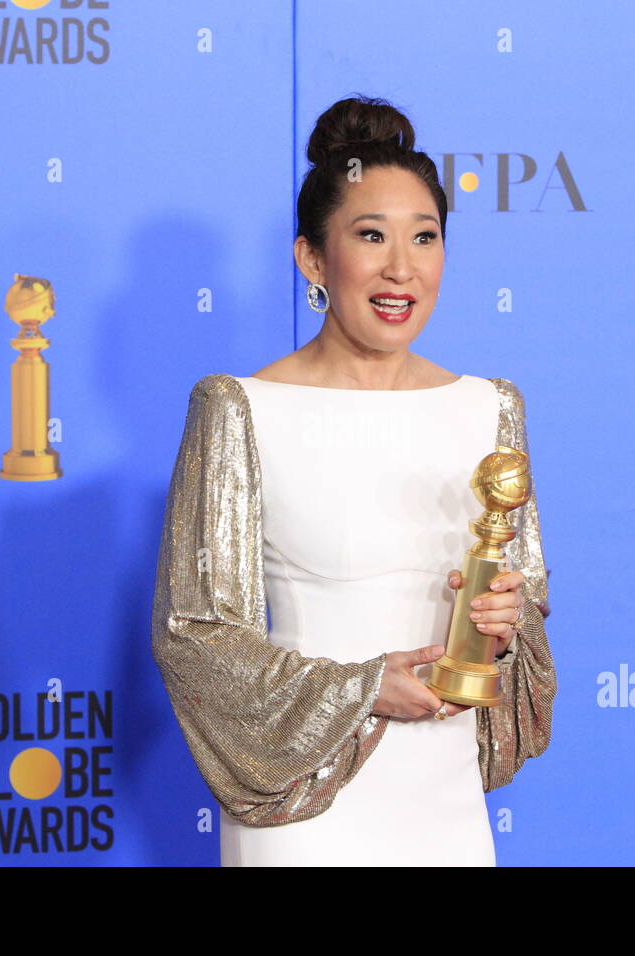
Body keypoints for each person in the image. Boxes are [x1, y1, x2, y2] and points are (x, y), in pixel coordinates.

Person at [151, 95, 556, 866]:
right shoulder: (240, 409)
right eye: (370, 236)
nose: (401, 268)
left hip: (443, 796)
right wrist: (363, 689)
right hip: (307, 802)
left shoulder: (489, 408)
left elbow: (524, 613)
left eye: (425, 238)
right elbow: (194, 636)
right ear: (311, 257)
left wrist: (506, 624)